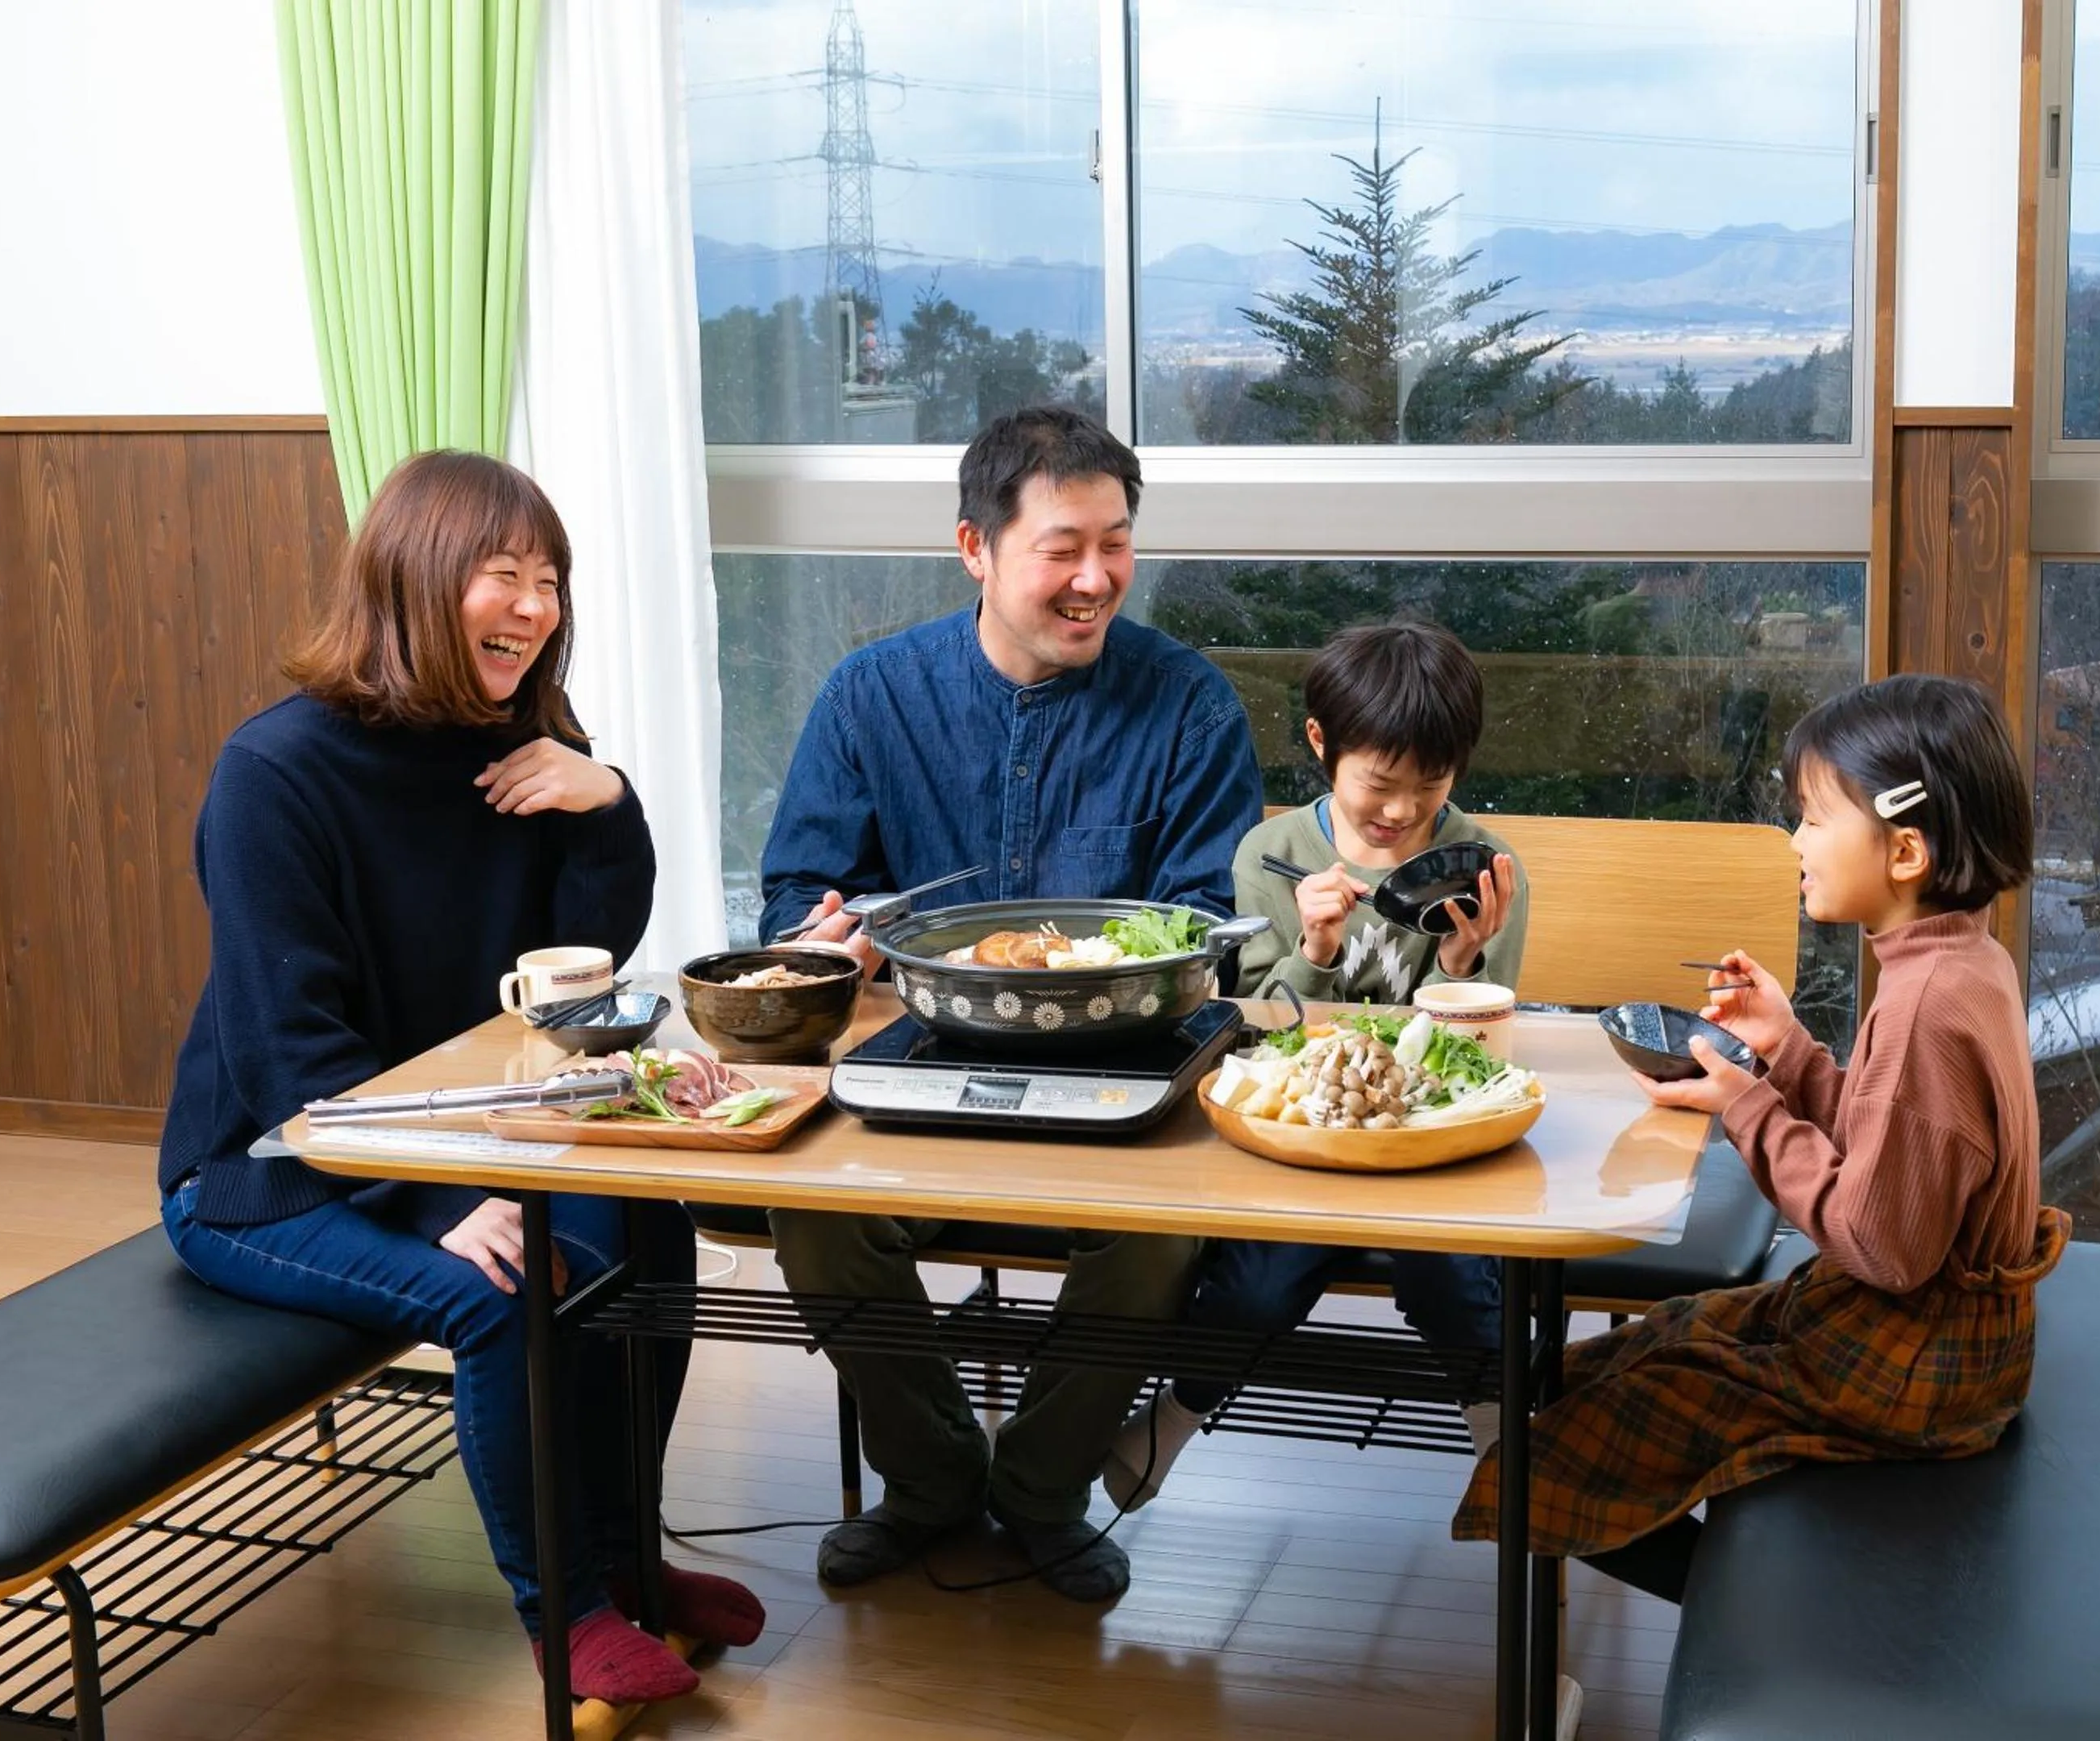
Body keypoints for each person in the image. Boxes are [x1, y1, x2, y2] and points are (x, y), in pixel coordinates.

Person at [157, 451, 762, 1706]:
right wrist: (441, 1199)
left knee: (648, 1232)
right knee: (504, 1286)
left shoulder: (512, 746)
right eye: (505, 576)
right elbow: (289, 1060)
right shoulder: (274, 776)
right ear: (418, 583)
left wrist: (607, 804)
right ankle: (570, 1610)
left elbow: (579, 982)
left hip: (468, 1132)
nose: (536, 608)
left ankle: (628, 1559)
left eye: (550, 580)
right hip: (274, 1170)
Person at [758, 405, 1264, 1602]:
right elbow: (797, 893)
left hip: (1119, 1071)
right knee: (809, 1214)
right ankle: (933, 1481)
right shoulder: (871, 695)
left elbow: (1207, 924)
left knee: (1158, 1232)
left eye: (1118, 543)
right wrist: (832, 937)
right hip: (915, 1063)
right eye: (1061, 549)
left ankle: (1041, 1490)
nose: (1097, 578)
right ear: (976, 550)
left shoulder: (1188, 705)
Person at [1449, 672, 2069, 1605]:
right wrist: (1788, 1053)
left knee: (1561, 1448)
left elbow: (1883, 1243)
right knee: (1647, 1343)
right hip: (1940, 1336)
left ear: (1903, 849)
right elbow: (1894, 1147)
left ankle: (1767, 1628)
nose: (1795, 841)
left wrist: (1749, 1107)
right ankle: (1755, 1608)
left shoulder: (1927, 1008)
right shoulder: (1961, 958)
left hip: (1914, 1362)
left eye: (1816, 818)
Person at [1101, 620, 1529, 1510]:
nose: (1404, 811)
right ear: (1320, 746)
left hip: (1425, 1141)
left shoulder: (1482, 868)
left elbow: (1483, 1052)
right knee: (1260, 1279)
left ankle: (1508, 1463)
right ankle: (1171, 1424)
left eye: (1432, 785)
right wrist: (1317, 949)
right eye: (1380, 783)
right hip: (1300, 1133)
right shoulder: (1273, 856)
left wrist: (1461, 969)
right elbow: (1253, 1033)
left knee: (1449, 1272)